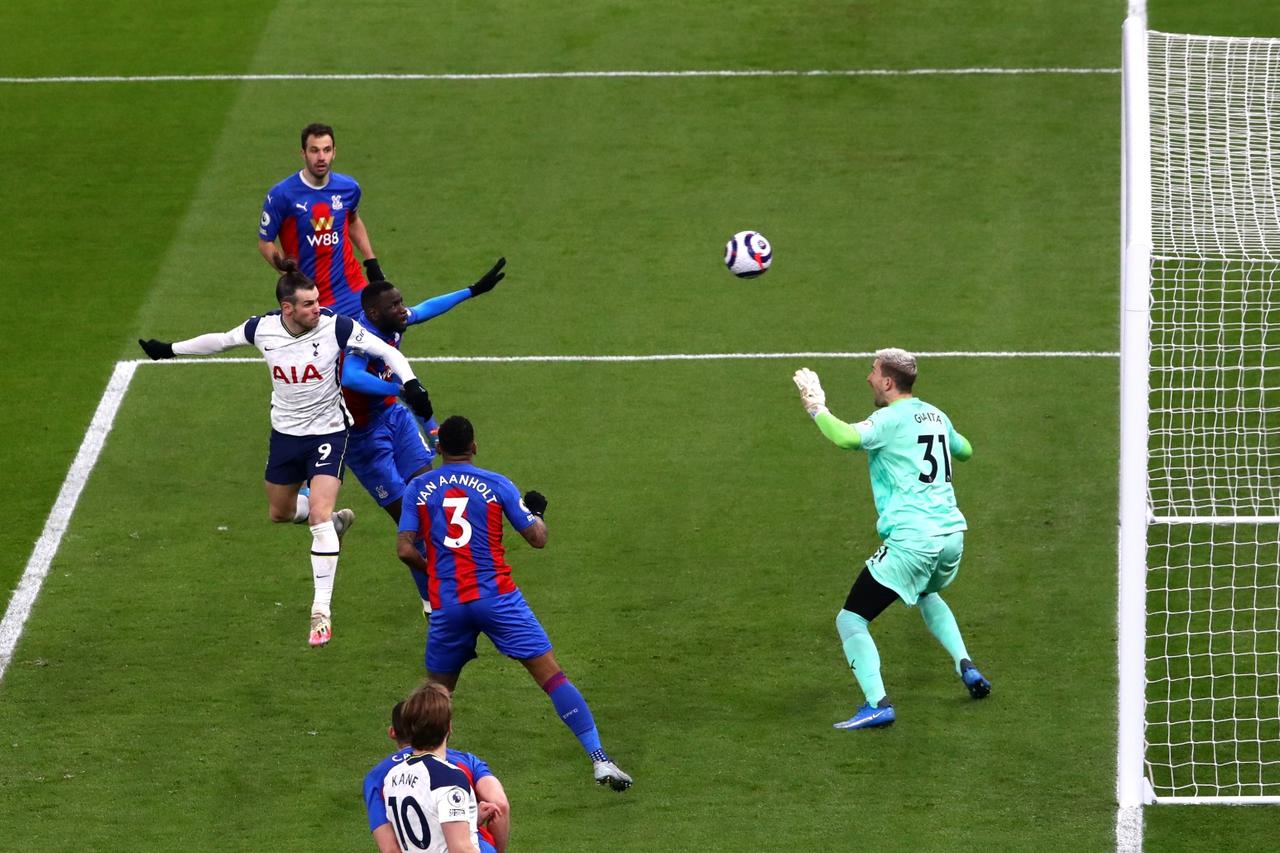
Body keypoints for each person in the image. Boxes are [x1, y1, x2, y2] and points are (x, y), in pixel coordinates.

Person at [137, 257, 434, 648]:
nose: (318, 308)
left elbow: (387, 352)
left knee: (319, 514)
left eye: (317, 301)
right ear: (287, 308)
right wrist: (169, 349)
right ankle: (336, 527)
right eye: (308, 304)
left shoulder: (336, 326)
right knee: (280, 512)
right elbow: (220, 341)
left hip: (330, 431)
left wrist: (411, 383)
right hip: (286, 435)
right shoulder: (262, 329)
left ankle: (321, 613)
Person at [396, 416, 633, 792]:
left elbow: (405, 549)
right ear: (474, 447)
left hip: (449, 604)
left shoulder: (418, 488)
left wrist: (436, 572)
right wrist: (536, 513)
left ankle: (408, 772)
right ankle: (599, 758)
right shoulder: (496, 484)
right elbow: (537, 538)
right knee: (552, 677)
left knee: (436, 696)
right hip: (498, 598)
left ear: (439, 449)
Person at [792, 348, 991, 731]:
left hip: (914, 541)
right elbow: (965, 450)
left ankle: (877, 704)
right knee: (926, 592)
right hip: (952, 537)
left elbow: (847, 438)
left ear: (887, 381)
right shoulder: (936, 414)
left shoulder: (887, 420)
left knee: (851, 619)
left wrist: (816, 407)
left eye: (872, 371)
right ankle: (965, 665)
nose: (868, 378)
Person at [343, 262, 508, 618]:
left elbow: (427, 308)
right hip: (363, 437)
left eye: (401, 302)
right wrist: (399, 388)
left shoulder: (392, 323)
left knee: (430, 506)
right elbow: (350, 377)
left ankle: (443, 592)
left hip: (395, 419)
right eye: (395, 306)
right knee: (411, 524)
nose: (404, 310)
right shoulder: (360, 339)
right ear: (374, 314)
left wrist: (472, 290)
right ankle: (432, 602)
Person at [258, 122, 383, 317]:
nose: (321, 157)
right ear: (303, 153)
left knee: (377, 332)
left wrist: (371, 261)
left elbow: (352, 221)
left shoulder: (349, 188)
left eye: (326, 150)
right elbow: (265, 243)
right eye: (314, 150)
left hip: (352, 290)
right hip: (311, 301)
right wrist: (290, 276)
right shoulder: (281, 194)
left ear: (334, 152)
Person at [364, 700, 510, 853]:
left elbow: (391, 849)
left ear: (393, 732)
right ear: (446, 728)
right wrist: (469, 820)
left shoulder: (380, 777)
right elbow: (499, 804)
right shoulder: (464, 761)